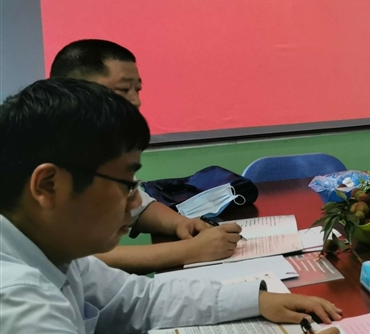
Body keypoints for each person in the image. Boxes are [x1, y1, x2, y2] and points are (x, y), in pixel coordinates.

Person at [0, 79, 346, 334]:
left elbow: (139, 299)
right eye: (125, 184)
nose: (136, 204)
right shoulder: (12, 305)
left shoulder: (48, 249)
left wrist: (255, 300)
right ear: (48, 185)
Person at [50, 39, 240, 272]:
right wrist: (190, 251)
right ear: (76, 90)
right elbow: (77, 260)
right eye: (123, 90)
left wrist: (182, 224)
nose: (136, 101)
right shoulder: (44, 154)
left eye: (137, 89)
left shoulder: (103, 142)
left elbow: (136, 204)